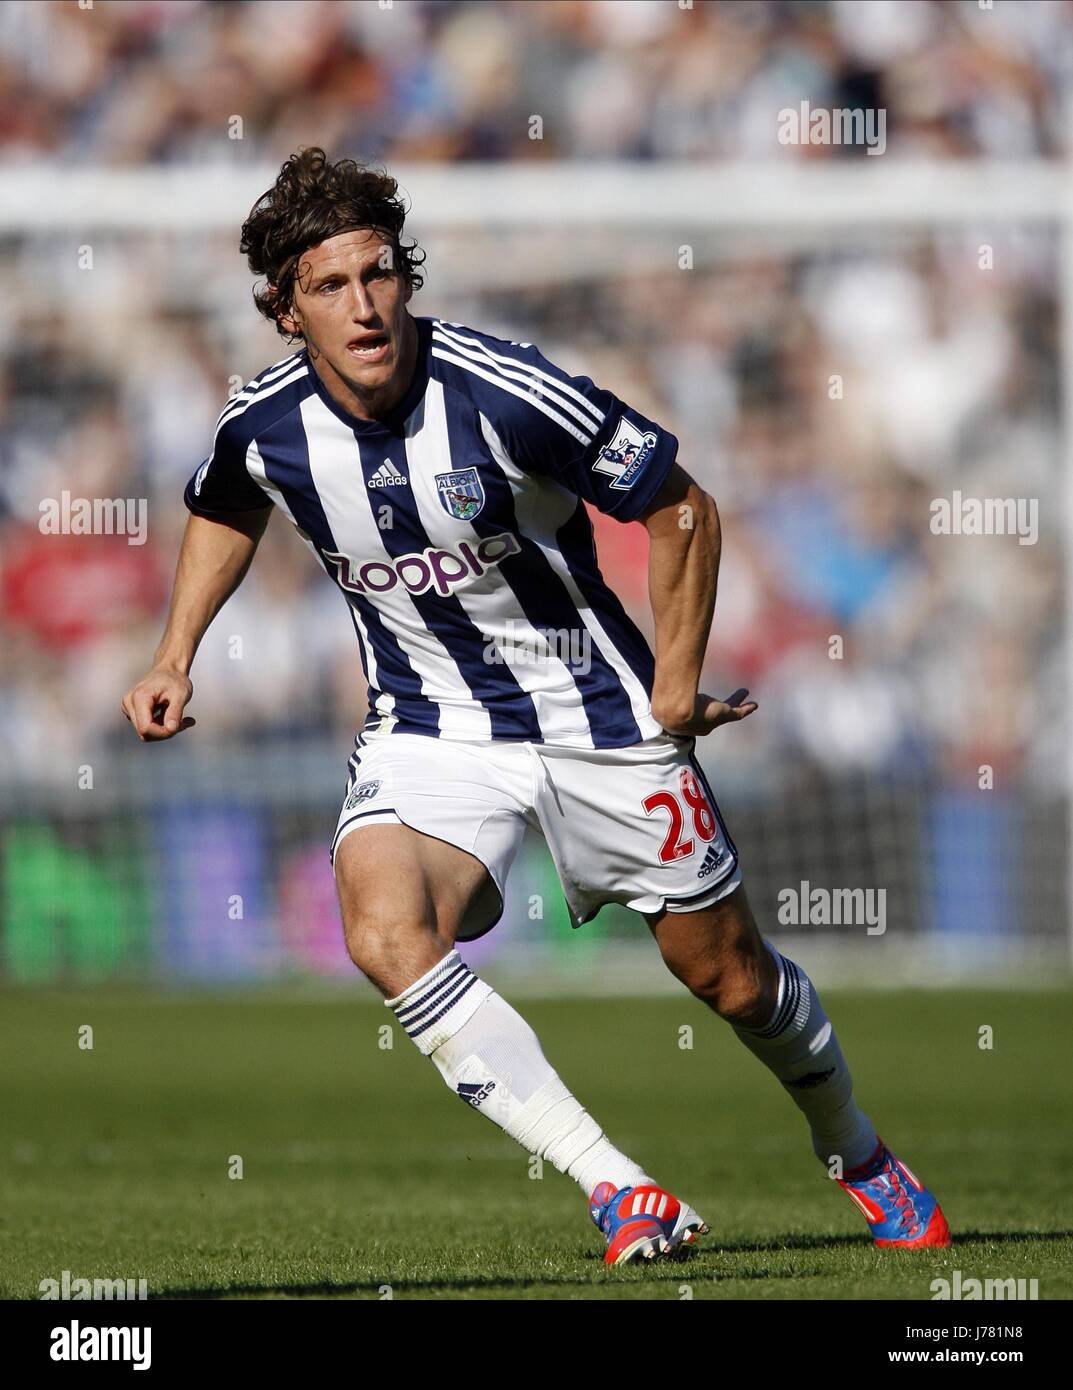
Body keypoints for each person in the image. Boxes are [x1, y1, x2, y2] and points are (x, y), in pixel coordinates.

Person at [122, 148, 948, 1264]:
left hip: (601, 719)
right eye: (330, 286)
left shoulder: (505, 392)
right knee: (380, 928)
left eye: (379, 274)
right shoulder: (261, 426)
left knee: (726, 976)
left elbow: (681, 506)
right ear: (284, 306)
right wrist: (176, 649)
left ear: (405, 276)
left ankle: (853, 1146)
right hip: (429, 726)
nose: (363, 306)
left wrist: (669, 679)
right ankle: (619, 1189)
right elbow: (227, 504)